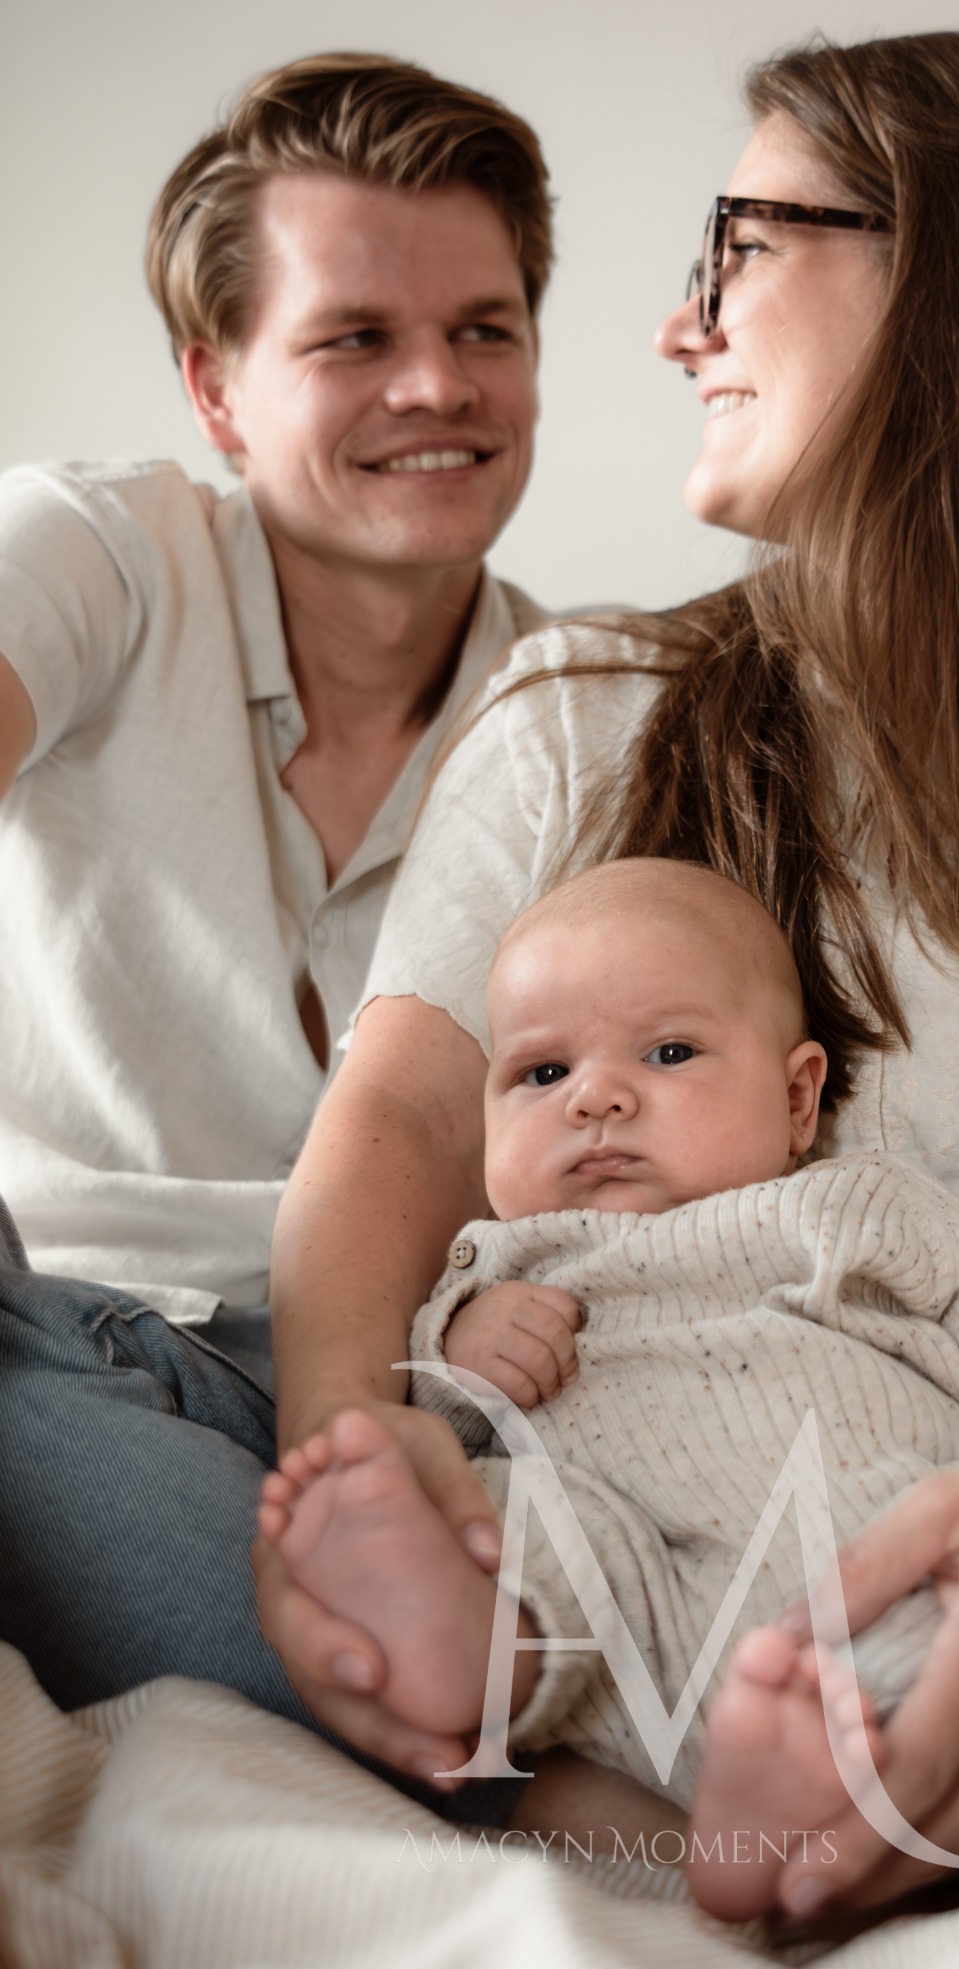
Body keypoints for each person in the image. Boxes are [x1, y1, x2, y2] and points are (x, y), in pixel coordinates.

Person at [266, 31, 959, 1915]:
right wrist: (362, 1448)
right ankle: (554, 1726)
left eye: (740, 248)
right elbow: (401, 1121)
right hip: (580, 1489)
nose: (677, 330)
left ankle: (771, 1786)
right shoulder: (594, 707)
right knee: (46, 1376)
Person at [0, 50, 553, 1782]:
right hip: (56, 1334)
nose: (434, 386)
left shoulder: (586, 704)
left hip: (401, 1383)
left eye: (483, 329)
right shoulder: (96, 549)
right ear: (216, 387)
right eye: (353, 338)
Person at [263, 857, 959, 1920]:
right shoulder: (494, 1266)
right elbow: (438, 1420)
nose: (595, 1097)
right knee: (500, 1526)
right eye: (541, 1073)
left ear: (797, 1098)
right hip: (623, 1577)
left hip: (854, 1537)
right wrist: (464, 1350)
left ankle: (787, 1799)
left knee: (921, 1613)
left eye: (668, 1053)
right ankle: (455, 1641)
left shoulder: (845, 1209)